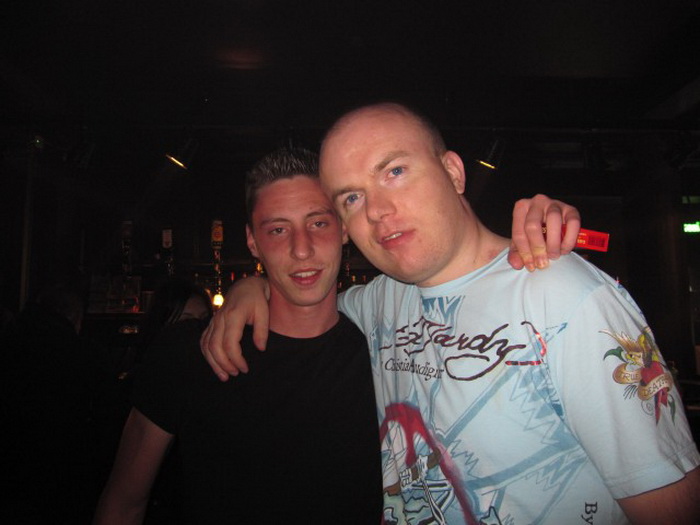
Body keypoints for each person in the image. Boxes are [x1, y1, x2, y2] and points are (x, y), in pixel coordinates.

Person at [201, 102, 700, 524]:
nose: (376, 210)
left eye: (395, 172)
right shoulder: (381, 300)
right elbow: (304, 294)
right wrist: (252, 286)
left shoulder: (564, 296)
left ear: (454, 172)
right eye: (352, 197)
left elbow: (672, 509)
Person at [93, 148, 383, 523]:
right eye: (278, 230)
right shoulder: (188, 353)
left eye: (318, 223)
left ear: (344, 228)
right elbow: (123, 503)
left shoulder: (381, 354)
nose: (301, 249)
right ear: (252, 241)